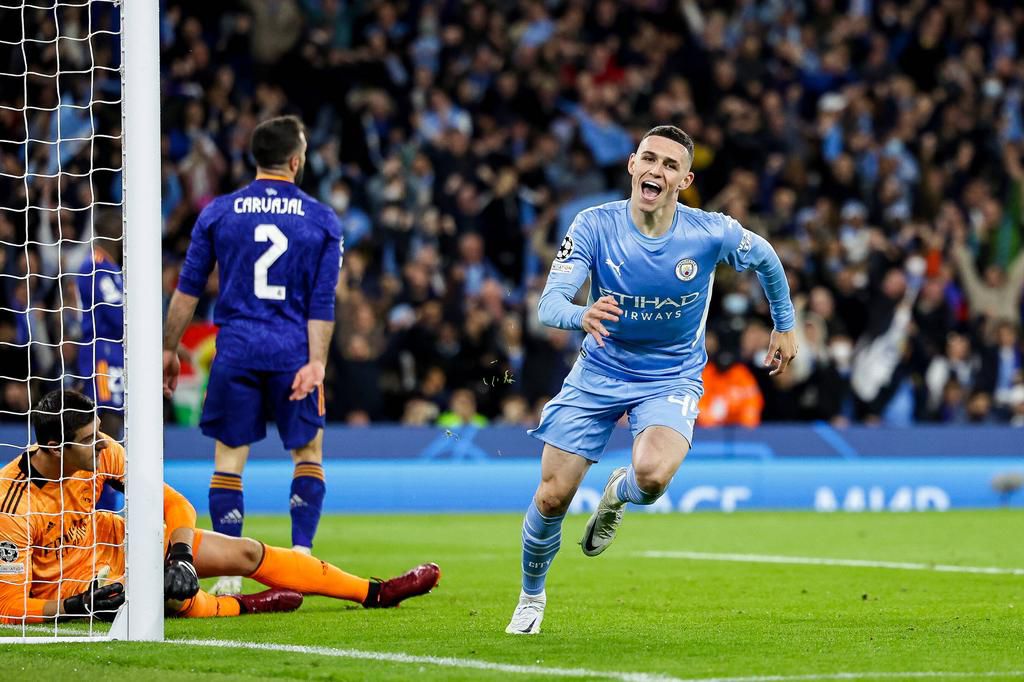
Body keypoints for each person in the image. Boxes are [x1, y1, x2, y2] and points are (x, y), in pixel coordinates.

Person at [505, 126, 797, 635]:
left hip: (671, 375)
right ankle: (532, 596)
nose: (656, 171)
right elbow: (548, 304)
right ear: (631, 165)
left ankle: (617, 496)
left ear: (684, 179)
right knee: (552, 496)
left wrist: (785, 323)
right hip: (599, 369)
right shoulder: (594, 225)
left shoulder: (709, 232)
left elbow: (767, 257)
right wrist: (581, 315)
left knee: (653, 476)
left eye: (668, 165)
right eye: (649, 159)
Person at [0, 390, 440, 623]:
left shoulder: (103, 452)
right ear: (54, 447)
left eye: (100, 432)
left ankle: (375, 592)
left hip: (113, 540)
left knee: (245, 551)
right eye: (88, 440)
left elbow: (173, 504)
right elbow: (8, 604)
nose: (102, 444)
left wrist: (181, 556)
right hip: (76, 591)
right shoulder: (11, 504)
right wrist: (73, 608)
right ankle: (244, 607)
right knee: (171, 601)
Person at [163, 115, 344, 595]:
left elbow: (188, 291)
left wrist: (167, 348)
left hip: (237, 350)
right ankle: (301, 558)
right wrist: (317, 361)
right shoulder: (322, 220)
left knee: (228, 459)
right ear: (295, 160)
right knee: (307, 453)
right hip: (292, 355)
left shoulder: (219, 213)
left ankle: (229, 572)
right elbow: (322, 304)